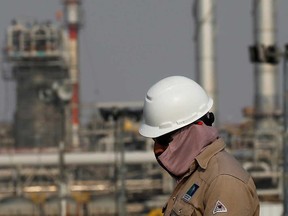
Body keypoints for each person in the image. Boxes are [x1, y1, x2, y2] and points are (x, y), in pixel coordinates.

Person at [139, 76, 259, 216]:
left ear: (196, 130)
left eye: (164, 139)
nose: (158, 149)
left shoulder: (223, 181)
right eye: (155, 140)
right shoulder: (194, 176)